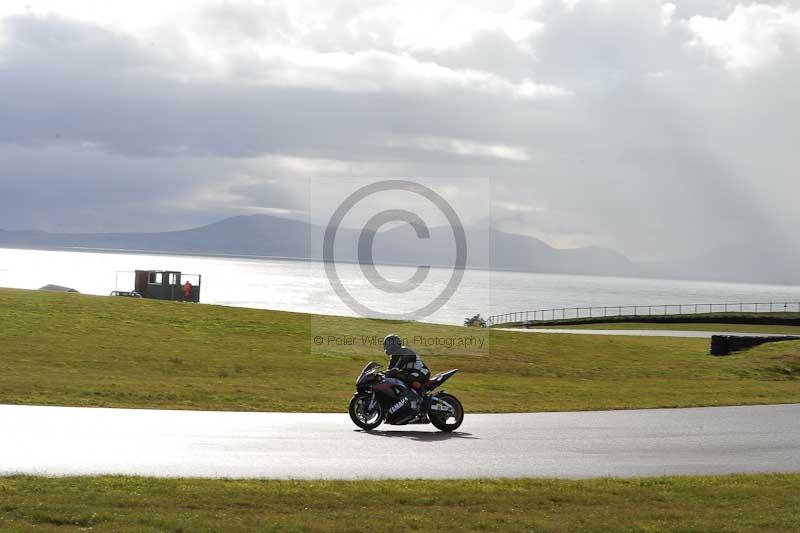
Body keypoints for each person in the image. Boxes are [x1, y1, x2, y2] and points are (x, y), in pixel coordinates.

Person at [382, 334, 430, 414]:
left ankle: (425, 401)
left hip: (422, 371)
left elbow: (403, 360)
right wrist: (382, 375)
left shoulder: (406, 351)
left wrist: (396, 369)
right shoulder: (393, 358)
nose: (386, 347)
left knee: (410, 379)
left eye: (388, 345)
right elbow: (389, 371)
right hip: (409, 374)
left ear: (394, 345)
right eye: (385, 345)